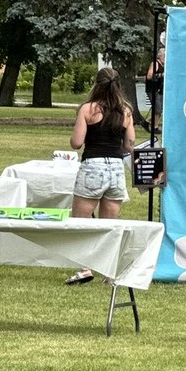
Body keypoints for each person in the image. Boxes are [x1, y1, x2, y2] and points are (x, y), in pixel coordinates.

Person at [65, 67, 136, 285]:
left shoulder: (88, 109)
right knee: (111, 223)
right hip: (115, 168)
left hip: (93, 165)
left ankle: (85, 268)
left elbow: (76, 143)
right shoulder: (125, 111)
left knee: (81, 220)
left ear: (96, 85)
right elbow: (130, 144)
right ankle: (111, 272)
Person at [145, 48, 165, 134]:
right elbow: (149, 76)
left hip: (160, 90)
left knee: (160, 109)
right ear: (160, 56)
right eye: (164, 56)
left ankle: (147, 122)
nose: (166, 58)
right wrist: (161, 75)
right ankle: (154, 127)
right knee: (157, 109)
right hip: (153, 89)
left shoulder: (164, 65)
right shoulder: (155, 63)